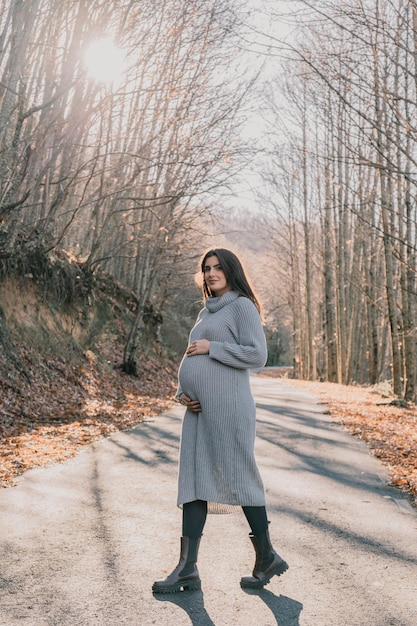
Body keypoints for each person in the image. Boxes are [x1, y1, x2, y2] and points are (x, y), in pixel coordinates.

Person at [152, 248, 288, 593]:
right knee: (194, 479)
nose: (211, 273)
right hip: (198, 411)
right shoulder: (205, 312)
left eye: (217, 268)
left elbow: (257, 355)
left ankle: (266, 554)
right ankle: (187, 568)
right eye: (206, 268)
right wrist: (182, 391)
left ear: (231, 270)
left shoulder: (241, 306)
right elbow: (190, 357)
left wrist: (213, 348)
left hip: (229, 409)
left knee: (240, 474)